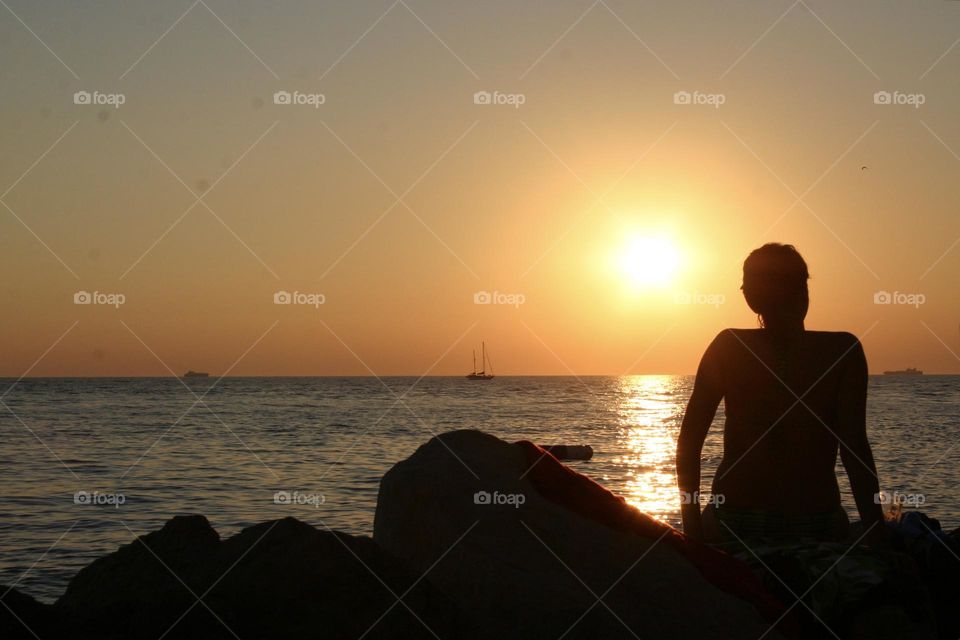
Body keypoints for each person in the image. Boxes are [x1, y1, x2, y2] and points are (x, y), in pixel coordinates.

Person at [676, 243, 886, 547]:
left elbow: (689, 445)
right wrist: (877, 534)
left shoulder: (728, 347)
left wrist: (692, 535)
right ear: (804, 292)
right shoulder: (843, 351)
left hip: (735, 522)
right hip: (817, 524)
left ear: (749, 297)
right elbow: (855, 450)